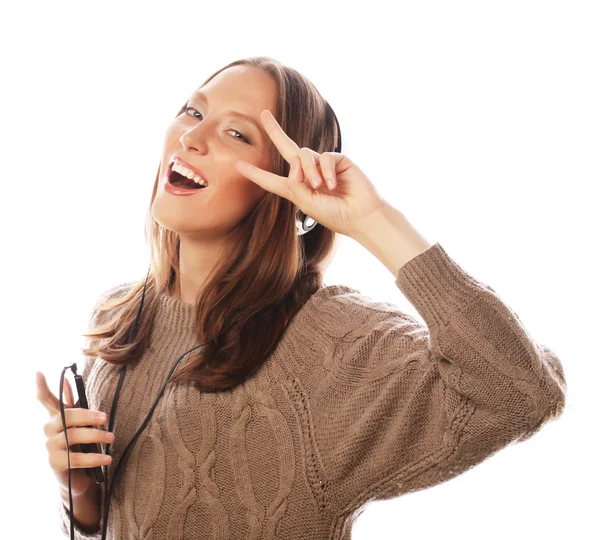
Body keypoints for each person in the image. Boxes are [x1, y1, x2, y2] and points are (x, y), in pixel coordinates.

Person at [36, 56, 567, 539]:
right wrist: (80, 492)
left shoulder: (326, 342)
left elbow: (520, 391)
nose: (192, 139)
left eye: (236, 134)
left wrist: (374, 220)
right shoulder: (119, 316)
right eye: (192, 112)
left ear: (283, 189)